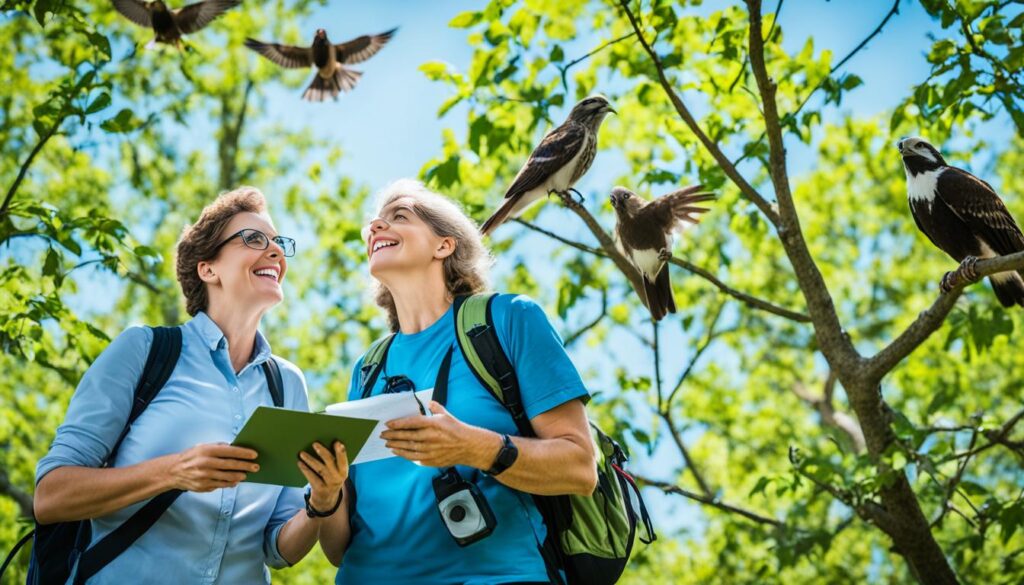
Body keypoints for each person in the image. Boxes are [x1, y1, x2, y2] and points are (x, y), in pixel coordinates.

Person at [33, 187, 348, 584]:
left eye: (278, 243)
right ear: (208, 268)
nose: (276, 252)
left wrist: (322, 502)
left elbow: (277, 548)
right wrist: (174, 471)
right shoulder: (145, 351)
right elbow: (50, 497)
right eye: (254, 239)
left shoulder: (286, 384)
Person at [318, 179, 598, 584]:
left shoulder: (508, 320)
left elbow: (579, 468)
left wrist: (473, 447)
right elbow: (338, 549)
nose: (376, 228)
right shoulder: (368, 369)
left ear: (444, 245)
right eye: (374, 224)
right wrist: (326, 498)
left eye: (399, 217)